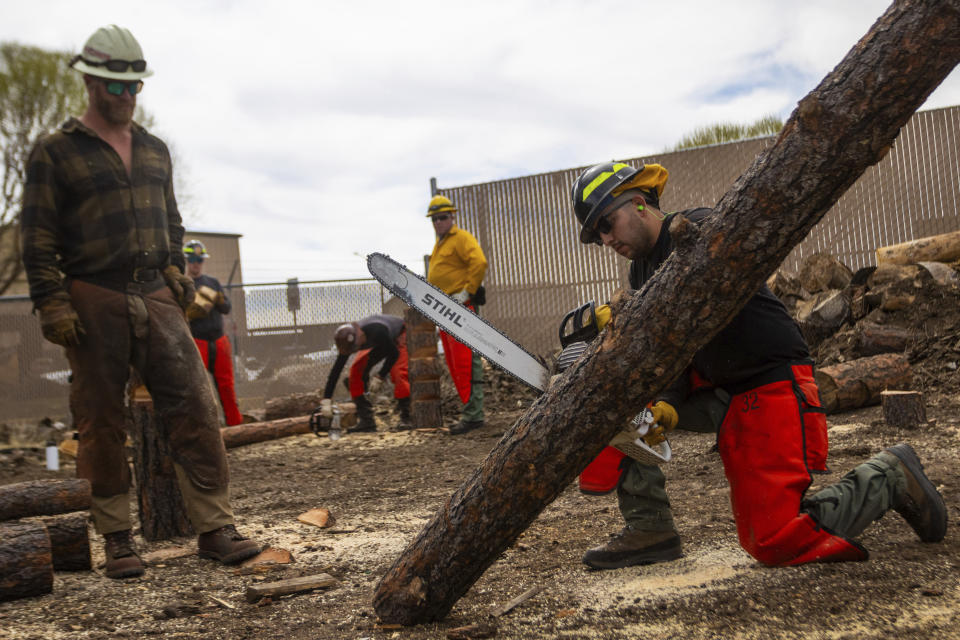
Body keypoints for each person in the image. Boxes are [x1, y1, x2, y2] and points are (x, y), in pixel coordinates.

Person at [567, 161, 947, 569]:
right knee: (617, 400)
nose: (606, 238)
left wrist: (630, 311)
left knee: (772, 539)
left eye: (607, 223)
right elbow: (668, 352)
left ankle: (889, 475)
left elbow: (692, 299)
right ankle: (650, 529)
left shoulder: (700, 228)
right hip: (716, 383)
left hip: (766, 379)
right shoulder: (640, 271)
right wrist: (667, 403)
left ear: (639, 203)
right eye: (597, 235)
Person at [19, 25, 260, 579]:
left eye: (133, 87)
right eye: (114, 86)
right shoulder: (55, 152)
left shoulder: (155, 150)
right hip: (94, 293)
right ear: (90, 79)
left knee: (196, 406)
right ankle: (118, 539)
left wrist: (174, 268)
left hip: (155, 291)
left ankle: (215, 527)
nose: (126, 97)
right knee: (101, 420)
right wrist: (53, 303)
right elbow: (37, 239)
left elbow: (172, 220)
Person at [425, 195, 488, 435]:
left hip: (460, 308)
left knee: (466, 361)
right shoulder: (440, 244)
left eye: (443, 217)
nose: (439, 222)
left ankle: (474, 415)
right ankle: (469, 412)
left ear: (452, 216)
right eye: (435, 219)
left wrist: (466, 292)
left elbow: (479, 262)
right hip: (445, 310)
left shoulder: (461, 238)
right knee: (455, 362)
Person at [183, 239, 243, 426]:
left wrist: (217, 300)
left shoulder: (212, 282)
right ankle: (203, 428)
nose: (196, 264)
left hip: (218, 340)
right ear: (187, 260)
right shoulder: (184, 285)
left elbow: (226, 308)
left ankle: (235, 425)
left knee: (226, 386)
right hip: (196, 341)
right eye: (193, 260)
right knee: (198, 389)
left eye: (199, 260)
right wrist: (191, 311)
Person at [318, 315, 411, 432]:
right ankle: (367, 421)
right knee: (355, 372)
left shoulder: (377, 330)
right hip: (380, 342)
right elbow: (336, 371)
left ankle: (407, 417)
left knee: (398, 371)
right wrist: (326, 399)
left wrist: (380, 376)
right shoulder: (348, 342)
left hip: (399, 335)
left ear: (359, 336)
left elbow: (393, 353)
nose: (356, 350)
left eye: (356, 348)